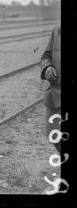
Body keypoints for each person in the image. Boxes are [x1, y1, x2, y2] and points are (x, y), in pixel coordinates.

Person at [40, 25, 61, 153]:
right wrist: (47, 67)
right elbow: (46, 56)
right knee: (54, 138)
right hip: (56, 95)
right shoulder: (57, 30)